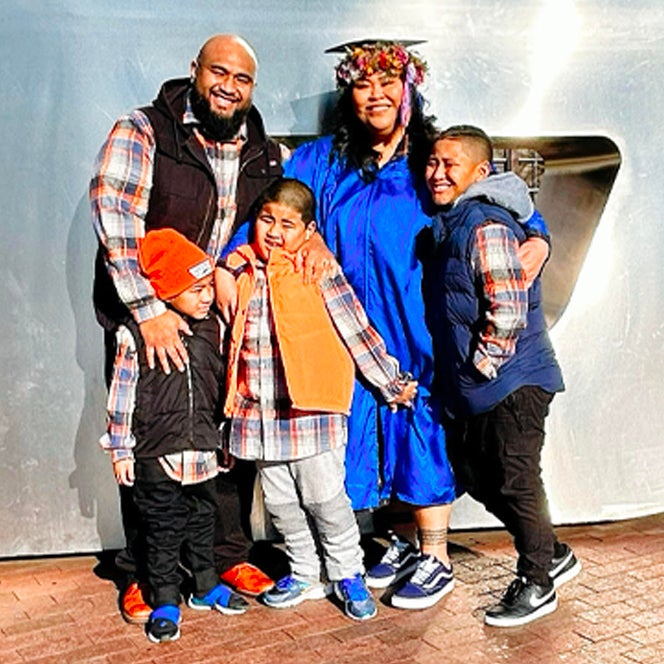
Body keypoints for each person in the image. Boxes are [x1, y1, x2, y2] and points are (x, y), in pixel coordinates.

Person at [283, 40, 551, 610]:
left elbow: (505, 198)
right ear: (348, 94)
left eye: (387, 83)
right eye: (363, 84)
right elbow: (276, 207)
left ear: (410, 88)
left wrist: (541, 238)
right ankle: (404, 540)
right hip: (351, 327)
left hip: (418, 322)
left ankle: (437, 554)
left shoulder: (432, 157)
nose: (375, 95)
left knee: (421, 426)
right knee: (371, 436)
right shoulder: (327, 162)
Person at [90, 33, 280, 622]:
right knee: (151, 439)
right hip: (148, 308)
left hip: (216, 312)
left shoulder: (264, 151)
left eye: (242, 78)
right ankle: (146, 572)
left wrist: (234, 275)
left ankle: (220, 556)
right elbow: (115, 215)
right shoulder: (145, 129)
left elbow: (268, 225)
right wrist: (148, 310)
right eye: (218, 72)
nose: (229, 86)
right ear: (194, 70)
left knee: (221, 433)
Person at [220, 178, 417, 621]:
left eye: (287, 224)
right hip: (260, 413)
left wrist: (389, 381)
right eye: (266, 220)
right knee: (281, 503)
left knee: (326, 498)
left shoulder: (317, 270)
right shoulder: (243, 269)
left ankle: (347, 572)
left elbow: (356, 330)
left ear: (308, 231)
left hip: (312, 410)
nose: (274, 231)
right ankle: (305, 571)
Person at [424, 125, 581, 627]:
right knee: (473, 474)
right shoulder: (450, 222)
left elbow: (508, 309)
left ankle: (537, 581)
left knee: (515, 479)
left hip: (514, 379)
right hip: (482, 384)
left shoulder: (484, 224)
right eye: (432, 163)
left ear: (479, 171)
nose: (437, 173)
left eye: (451, 164)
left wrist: (484, 364)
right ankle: (551, 550)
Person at [100, 228, 251, 643]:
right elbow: (122, 395)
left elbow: (220, 387)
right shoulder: (134, 335)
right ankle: (165, 597)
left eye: (208, 287)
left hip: (202, 451)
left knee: (204, 520)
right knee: (161, 528)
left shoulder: (213, 331)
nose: (207, 297)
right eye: (195, 288)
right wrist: (120, 448)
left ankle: (205, 586)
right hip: (156, 452)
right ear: (165, 290)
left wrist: (223, 439)